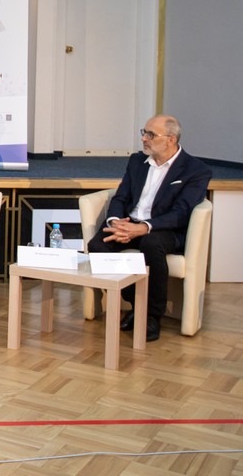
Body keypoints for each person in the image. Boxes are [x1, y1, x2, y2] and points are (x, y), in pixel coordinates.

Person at [87, 115, 211, 342]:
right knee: (97, 245)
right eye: (143, 132)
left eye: (151, 134)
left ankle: (152, 317)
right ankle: (138, 305)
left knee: (151, 244)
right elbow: (121, 197)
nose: (144, 138)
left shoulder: (195, 170)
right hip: (130, 223)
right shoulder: (137, 161)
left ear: (171, 139)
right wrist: (115, 222)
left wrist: (144, 227)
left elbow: (182, 213)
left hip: (165, 229)